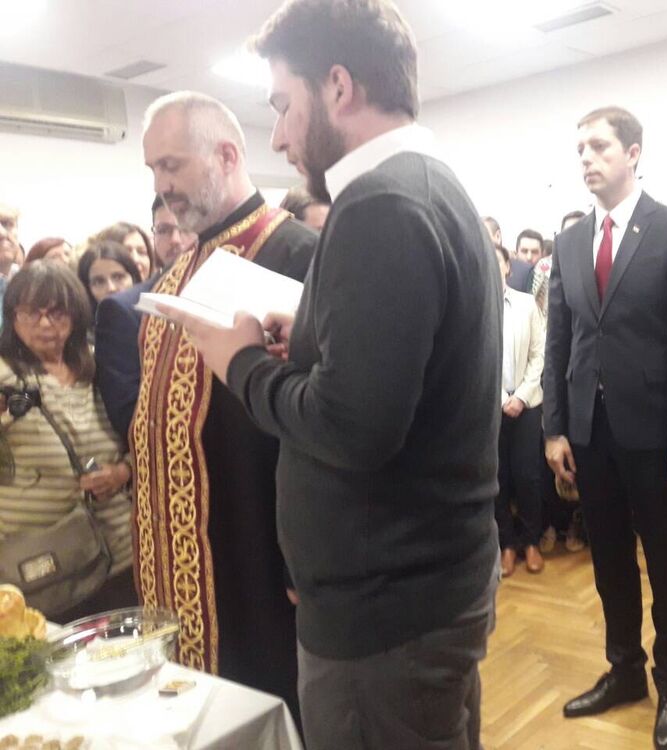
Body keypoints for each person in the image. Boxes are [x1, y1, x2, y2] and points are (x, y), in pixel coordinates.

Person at [160, 3, 500, 748]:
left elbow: (354, 430)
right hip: (421, 587)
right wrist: (308, 345)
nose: (279, 135)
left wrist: (241, 363)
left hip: (385, 611)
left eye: (284, 104)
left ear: (338, 87)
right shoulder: (426, 185)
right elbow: (395, 382)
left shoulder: (379, 204)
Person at [133, 91, 315, 718]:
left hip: (258, 551)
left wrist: (305, 558)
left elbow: (318, 424)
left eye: (172, 165)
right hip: (172, 558)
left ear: (227, 155)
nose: (161, 186)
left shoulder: (300, 255)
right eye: (153, 169)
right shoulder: (172, 276)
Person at [544, 105, 667, 750]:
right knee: (609, 557)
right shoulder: (569, 242)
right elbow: (560, 342)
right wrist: (554, 429)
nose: (587, 159)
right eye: (580, 150)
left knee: (666, 561)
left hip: (655, 434)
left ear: (634, 153)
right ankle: (624, 671)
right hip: (589, 430)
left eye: (599, 147)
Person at [0, 261, 134, 620]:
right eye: (31, 313)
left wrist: (122, 472)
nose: (45, 324)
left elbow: (141, 434)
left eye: (57, 313)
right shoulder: (4, 374)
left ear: (76, 314)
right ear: (13, 317)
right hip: (40, 567)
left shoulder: (99, 366)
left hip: (118, 551)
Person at [94, 197, 197, 443]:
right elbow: (128, 415)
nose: (175, 239)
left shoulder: (232, 296)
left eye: (184, 227)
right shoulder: (123, 309)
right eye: (164, 230)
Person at [494, 245, 546, 577]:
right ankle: (507, 545)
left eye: (496, 261)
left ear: (507, 268)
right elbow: (478, 358)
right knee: (498, 477)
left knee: (528, 475)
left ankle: (531, 542)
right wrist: (502, 398)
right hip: (493, 405)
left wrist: (522, 397)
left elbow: (539, 354)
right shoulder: (476, 306)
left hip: (528, 403)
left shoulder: (527, 304)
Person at [77, 241, 142, 314]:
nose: (111, 288)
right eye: (99, 282)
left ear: (133, 277)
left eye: (118, 277)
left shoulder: (150, 316)